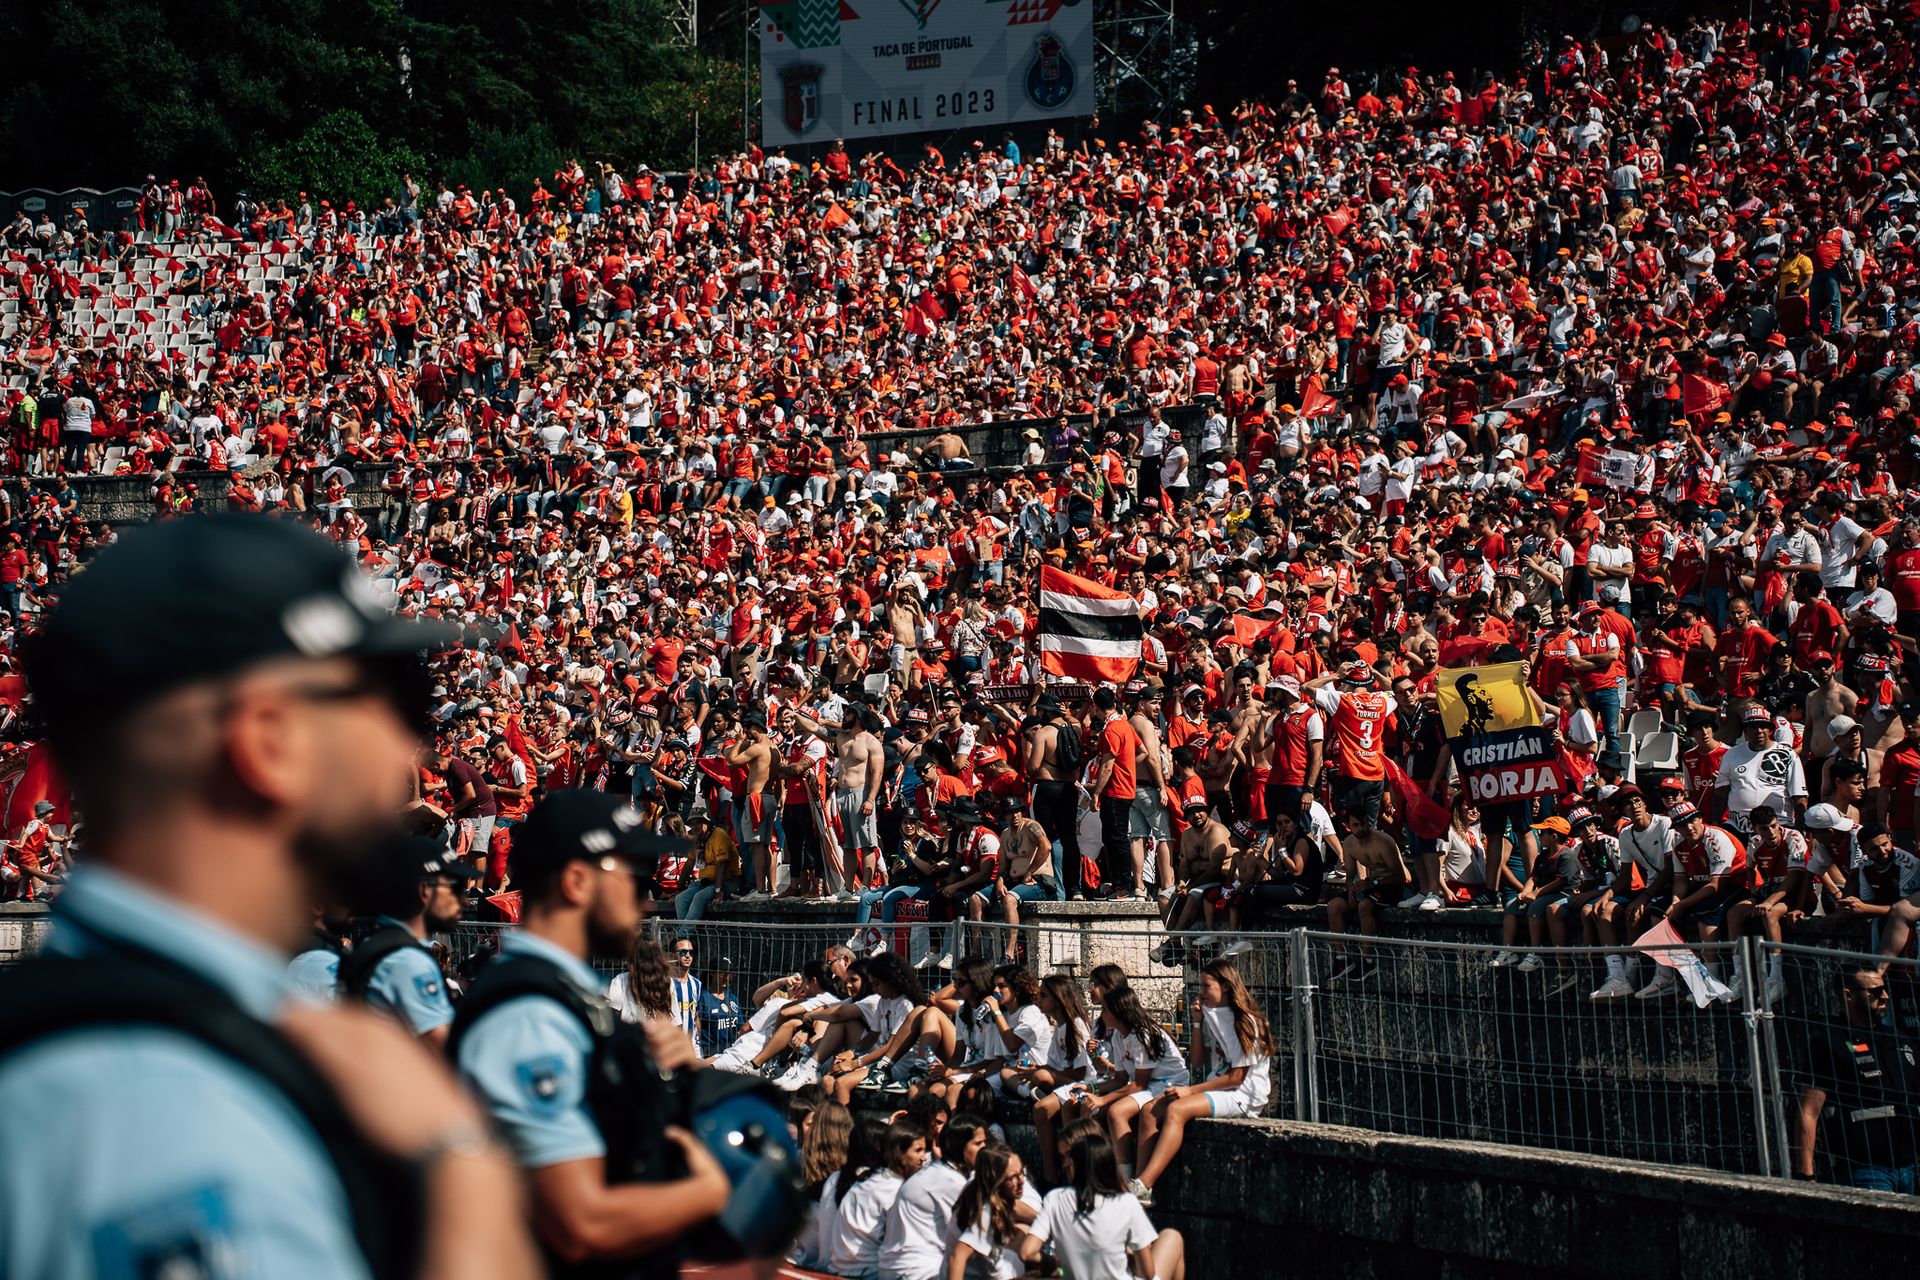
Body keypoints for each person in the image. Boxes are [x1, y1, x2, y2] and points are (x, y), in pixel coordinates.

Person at [0, 513, 537, 1280]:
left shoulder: (103, 1032)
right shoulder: (176, 1116)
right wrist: (461, 1160)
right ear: (270, 739)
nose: (407, 749)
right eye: (396, 698)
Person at [450, 790, 734, 1277]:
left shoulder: (563, 997)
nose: (646, 899)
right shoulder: (530, 1014)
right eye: (634, 877)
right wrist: (712, 1192)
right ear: (577, 881)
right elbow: (580, 1224)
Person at [1131, 957, 1273, 1200]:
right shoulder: (1212, 1016)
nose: (1201, 992)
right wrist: (1197, 1024)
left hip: (1243, 1095)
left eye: (1207, 986)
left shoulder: (1246, 1022)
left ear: (1225, 986)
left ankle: (1145, 1183)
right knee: (1150, 1110)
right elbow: (1197, 1060)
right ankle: (1139, 1181)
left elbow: (1237, 1077)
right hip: (1219, 1089)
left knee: (1176, 1110)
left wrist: (1190, 1091)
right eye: (1200, 986)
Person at [337, 836, 475, 1046]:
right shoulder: (408, 962)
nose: (464, 901)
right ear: (425, 890)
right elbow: (450, 1049)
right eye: (455, 889)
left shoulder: (377, 942)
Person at [1793, 966, 1920, 1192]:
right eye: (1876, 991)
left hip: (1910, 1165)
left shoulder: (1899, 1039)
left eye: (1885, 989)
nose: (1885, 996)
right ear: (1848, 995)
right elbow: (1809, 1111)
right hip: (1865, 1168)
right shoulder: (1829, 1042)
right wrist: (1805, 1174)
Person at [1019, 1129, 1185, 1280]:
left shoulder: (1054, 1198)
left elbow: (1027, 1252)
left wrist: (1056, 1263)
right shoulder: (1127, 1202)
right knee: (1172, 1237)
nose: (1065, 1164)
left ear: (1075, 1164)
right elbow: (1147, 1273)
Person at [876, 1111, 990, 1280]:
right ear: (961, 1146)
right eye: (978, 1143)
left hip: (896, 1267)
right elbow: (968, 1235)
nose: (985, 1149)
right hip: (917, 1271)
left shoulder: (940, 1172)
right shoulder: (951, 1181)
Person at [946, 1143, 1028, 1280]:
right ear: (995, 1181)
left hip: (993, 1267)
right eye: (1012, 1177)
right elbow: (957, 1257)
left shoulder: (974, 1187)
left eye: (1021, 1172)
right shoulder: (986, 1213)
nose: (1021, 1181)